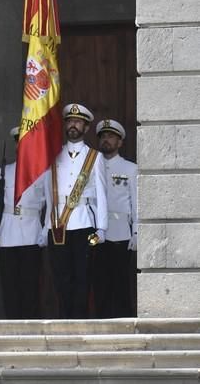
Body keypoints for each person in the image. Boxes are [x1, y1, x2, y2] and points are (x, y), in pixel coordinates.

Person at [39, 103, 108, 318]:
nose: (73, 125)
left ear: (86, 127)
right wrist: (44, 227)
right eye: (69, 121)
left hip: (84, 224)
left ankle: (80, 321)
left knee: (82, 276)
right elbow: (48, 192)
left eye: (78, 122)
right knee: (61, 276)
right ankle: (64, 321)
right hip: (57, 224)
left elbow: (102, 195)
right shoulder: (53, 156)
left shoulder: (94, 157)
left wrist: (102, 228)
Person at [0, 126, 45, 319]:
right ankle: (12, 324)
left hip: (31, 232)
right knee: (10, 285)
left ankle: (30, 325)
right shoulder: (6, 171)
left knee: (30, 285)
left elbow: (51, 203)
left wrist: (46, 230)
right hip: (8, 233)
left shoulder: (42, 172)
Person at [92, 119, 138, 318]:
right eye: (103, 136)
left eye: (111, 136)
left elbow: (136, 203)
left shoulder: (130, 169)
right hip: (94, 232)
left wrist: (136, 231)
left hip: (120, 231)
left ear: (120, 142)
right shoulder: (90, 167)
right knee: (98, 280)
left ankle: (124, 322)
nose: (106, 140)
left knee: (120, 282)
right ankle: (101, 323)